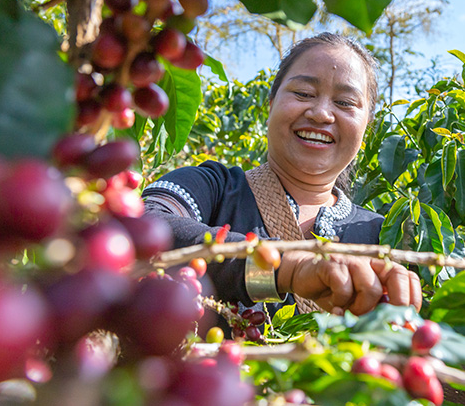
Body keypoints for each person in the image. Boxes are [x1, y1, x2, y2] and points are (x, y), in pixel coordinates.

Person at [142, 33, 422, 317]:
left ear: (367, 127)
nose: (321, 113)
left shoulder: (385, 234)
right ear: (270, 103)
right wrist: (286, 268)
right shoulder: (214, 187)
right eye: (303, 94)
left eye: (346, 102)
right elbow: (142, 225)